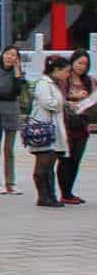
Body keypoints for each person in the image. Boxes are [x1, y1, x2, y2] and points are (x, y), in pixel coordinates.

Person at [28, 55, 71, 209]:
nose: (67, 75)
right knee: (43, 162)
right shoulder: (43, 83)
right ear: (56, 70)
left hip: (53, 128)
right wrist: (63, 103)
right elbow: (48, 103)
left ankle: (51, 195)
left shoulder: (54, 83)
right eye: (66, 71)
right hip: (43, 129)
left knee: (50, 162)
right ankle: (43, 196)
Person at [0, 47, 26, 196]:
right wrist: (7, 95)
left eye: (14, 55)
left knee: (9, 150)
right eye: (8, 54)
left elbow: (16, 92)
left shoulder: (18, 73)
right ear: (2, 55)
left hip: (12, 114)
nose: (10, 57)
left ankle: (11, 183)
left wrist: (17, 72)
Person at [59, 49, 92, 204]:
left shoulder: (89, 81)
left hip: (82, 125)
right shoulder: (64, 80)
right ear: (72, 62)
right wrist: (74, 97)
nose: (82, 66)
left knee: (76, 160)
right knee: (65, 160)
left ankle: (69, 192)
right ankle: (64, 193)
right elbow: (58, 98)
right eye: (79, 63)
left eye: (85, 64)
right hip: (66, 125)